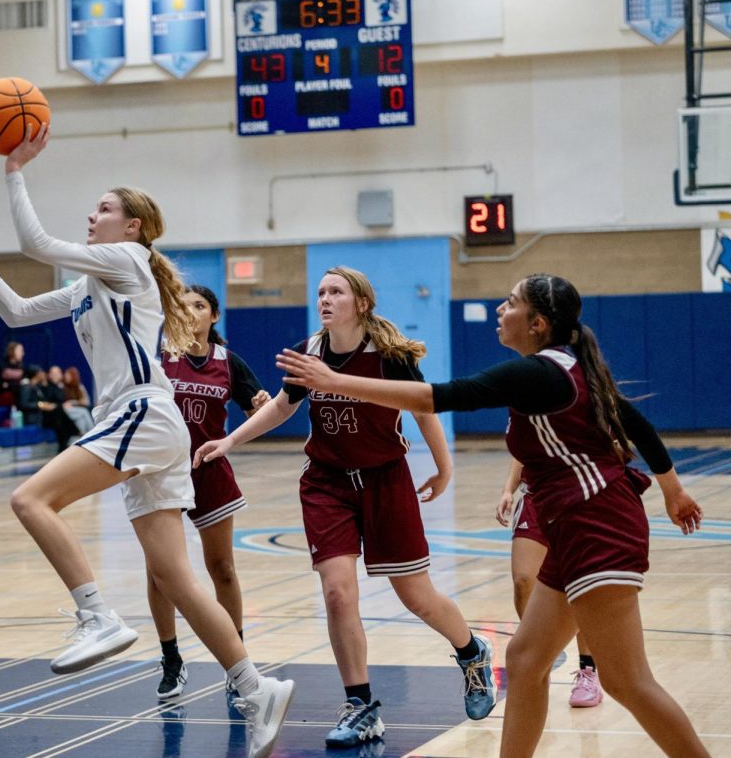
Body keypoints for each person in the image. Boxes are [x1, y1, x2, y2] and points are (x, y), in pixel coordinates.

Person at [0, 125, 294, 758]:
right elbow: (17, 313)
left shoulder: (127, 262)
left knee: (30, 501)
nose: (92, 216)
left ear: (133, 227)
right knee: (177, 580)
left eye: (103, 209)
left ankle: (96, 614)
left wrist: (13, 171)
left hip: (140, 412)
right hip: (148, 425)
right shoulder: (91, 284)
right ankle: (254, 685)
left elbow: (36, 240)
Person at [271, 273, 709, 758]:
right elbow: (635, 421)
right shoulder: (560, 368)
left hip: (597, 523)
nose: (501, 309)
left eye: (511, 303)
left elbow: (433, 398)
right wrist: (673, 491)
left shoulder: (537, 373)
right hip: (569, 527)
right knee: (523, 661)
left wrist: (333, 380)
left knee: (628, 682)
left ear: (537, 323)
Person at [195, 267, 496, 748]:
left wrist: (443, 468)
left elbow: (423, 408)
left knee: (415, 595)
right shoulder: (311, 351)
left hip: (384, 480)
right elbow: (283, 405)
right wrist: (228, 440)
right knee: (337, 593)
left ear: (361, 303)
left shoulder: (390, 356)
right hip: (326, 483)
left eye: (336, 292)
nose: (325, 299)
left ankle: (471, 651)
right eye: (320, 292)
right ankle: (361, 705)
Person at [151, 285, 270, 700]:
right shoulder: (158, 359)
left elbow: (259, 413)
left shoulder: (228, 362)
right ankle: (171, 659)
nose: (190, 311)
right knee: (161, 571)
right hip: (162, 471)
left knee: (222, 568)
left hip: (210, 472)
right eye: (182, 306)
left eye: (199, 305)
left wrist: (259, 403)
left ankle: (235, 659)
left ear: (214, 315)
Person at [496, 459, 602, 707]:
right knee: (523, 581)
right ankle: (538, 661)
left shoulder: (595, 419)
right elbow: (520, 451)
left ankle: (588, 671)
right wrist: (507, 490)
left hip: (580, 500)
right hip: (537, 499)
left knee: (579, 587)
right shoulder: (527, 418)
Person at [0, 341, 25, 407]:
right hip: (1, 394)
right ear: (12, 351)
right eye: (20, 351)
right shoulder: (1, 365)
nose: (23, 353)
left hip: (15, 393)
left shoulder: (20, 366)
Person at [60, 366, 96, 434]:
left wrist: (73, 402)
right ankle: (92, 432)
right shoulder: (62, 386)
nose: (66, 377)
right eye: (66, 375)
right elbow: (62, 403)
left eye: (68, 375)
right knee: (83, 412)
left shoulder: (79, 387)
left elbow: (86, 402)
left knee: (81, 419)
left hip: (76, 410)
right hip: (65, 410)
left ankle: (83, 434)